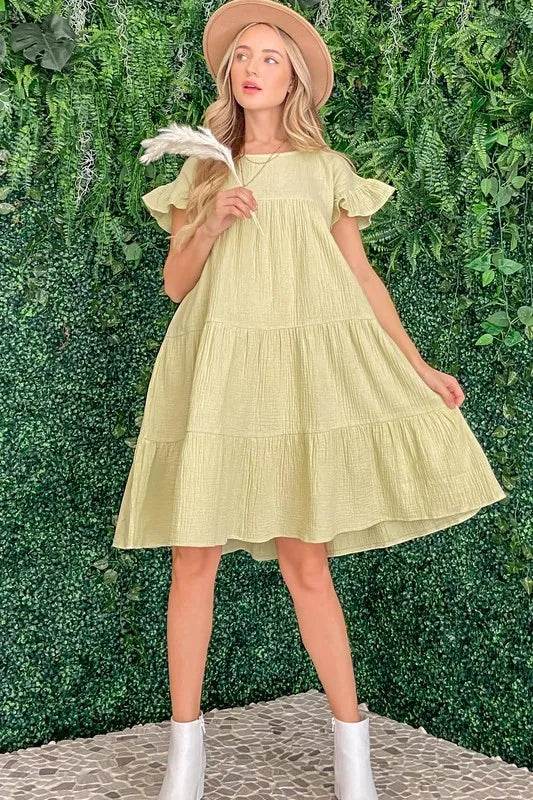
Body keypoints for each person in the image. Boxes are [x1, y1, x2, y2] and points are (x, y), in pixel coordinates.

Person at [112, 1, 507, 797]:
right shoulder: (203, 167)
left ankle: (352, 756)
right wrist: (210, 224)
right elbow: (175, 284)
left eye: (270, 57)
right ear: (228, 74)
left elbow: (360, 278)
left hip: (296, 375)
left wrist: (416, 365)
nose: (252, 68)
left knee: (306, 560)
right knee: (192, 557)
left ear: (292, 78)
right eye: (242, 56)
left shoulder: (325, 169)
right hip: (216, 365)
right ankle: (185, 760)